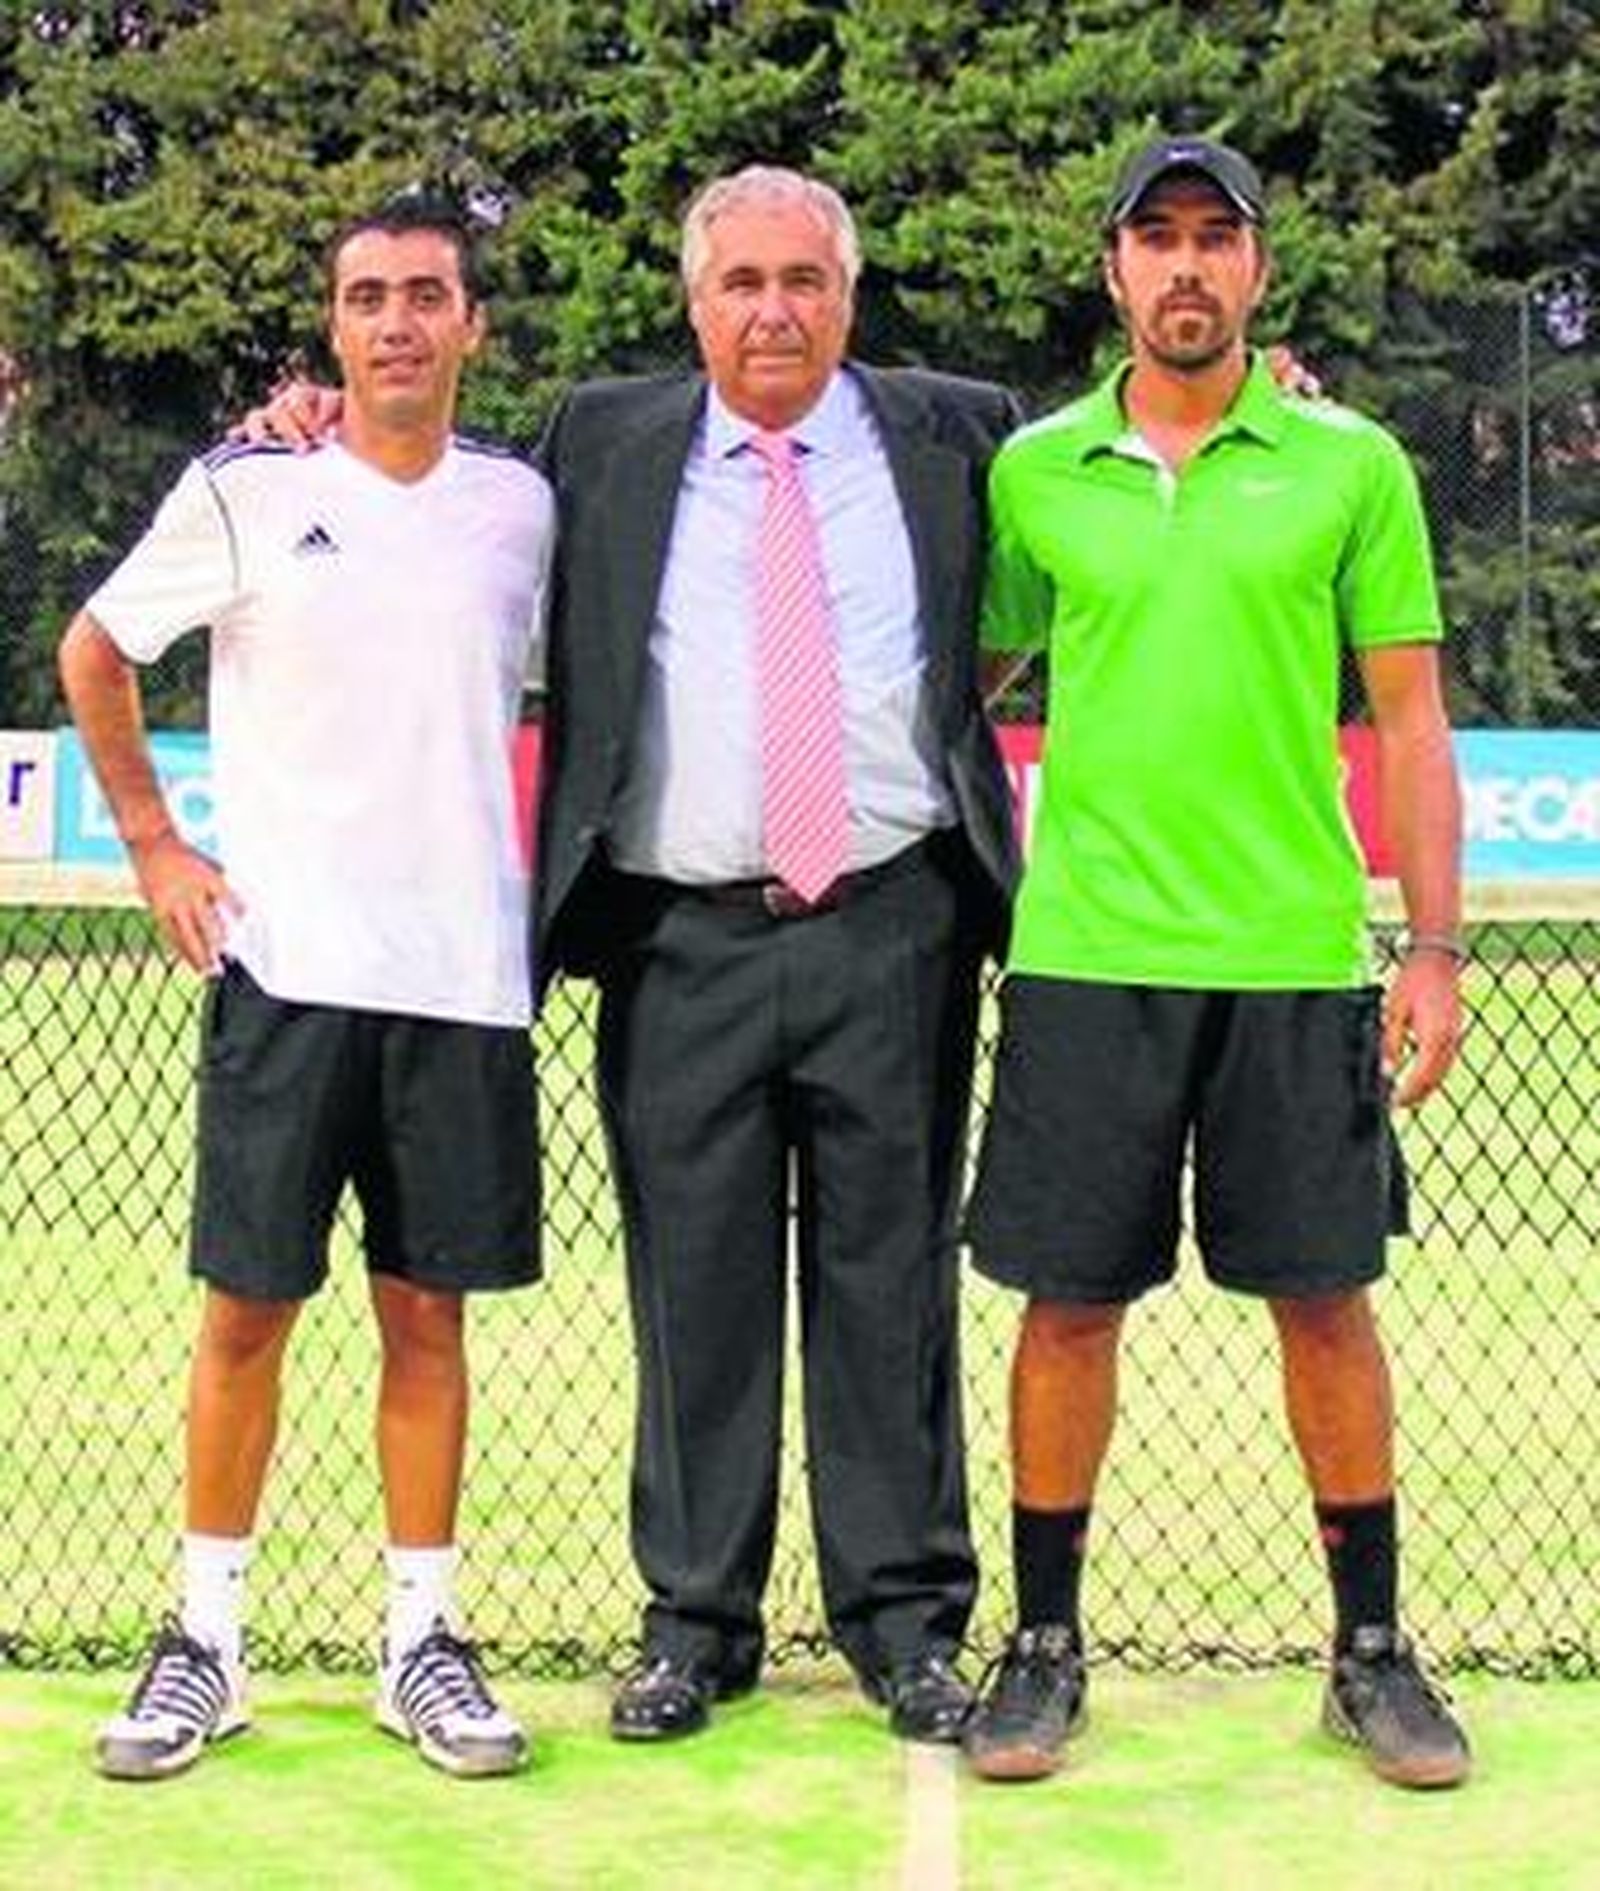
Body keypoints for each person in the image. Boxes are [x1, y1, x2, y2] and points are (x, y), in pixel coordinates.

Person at [958, 134, 1471, 1792]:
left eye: (1216, 240)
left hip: (1293, 962)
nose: (1187, 268)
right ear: (1112, 272)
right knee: (1069, 1307)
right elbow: (963, 674)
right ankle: (1043, 1649)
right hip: (1089, 957)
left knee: (1326, 1309)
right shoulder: (1037, 472)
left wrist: (1437, 946)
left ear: (1258, 269)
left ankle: (1372, 1654)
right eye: (1155, 240)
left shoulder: (1348, 466)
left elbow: (1409, 719)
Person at [59, 191, 553, 1781]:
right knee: (246, 1318)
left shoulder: (525, 509)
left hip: (464, 985)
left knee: (429, 1321)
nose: (397, 321)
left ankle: (423, 1640)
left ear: (472, 325)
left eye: (426, 294)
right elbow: (95, 651)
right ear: (332, 329)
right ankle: (206, 1636)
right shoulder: (251, 487)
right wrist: (154, 846)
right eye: (367, 297)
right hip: (284, 973)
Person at [538, 166, 1022, 1744]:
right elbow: (433, 500)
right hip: (681, 939)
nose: (772, 311)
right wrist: (296, 443)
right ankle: (696, 1623)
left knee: (892, 1283)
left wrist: (1258, 389)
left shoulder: (960, 432)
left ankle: (906, 1625)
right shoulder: (599, 443)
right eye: (740, 282)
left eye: (803, 281)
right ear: (694, 302)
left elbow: (1119, 471)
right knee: (696, 1287)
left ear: (848, 295)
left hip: (894, 920)